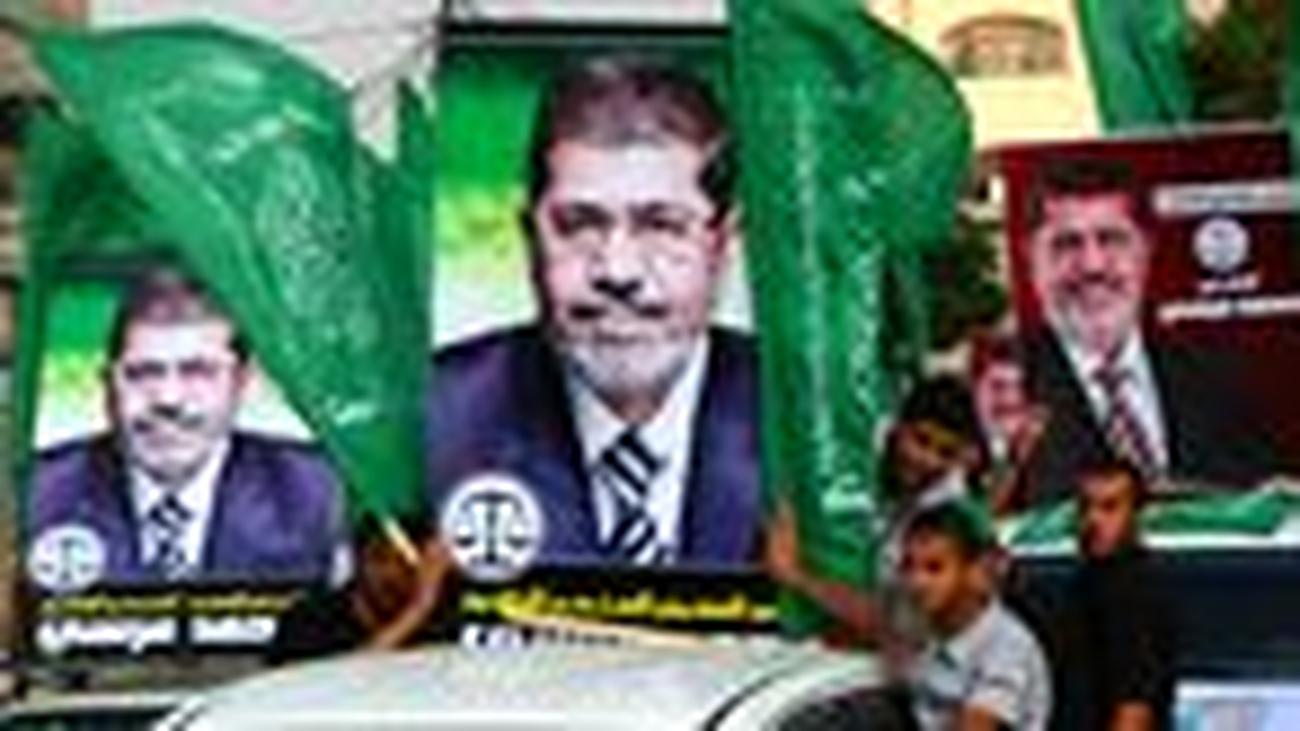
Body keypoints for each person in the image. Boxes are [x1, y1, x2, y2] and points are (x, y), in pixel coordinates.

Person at [426, 55, 758, 568]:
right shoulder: (430, 421)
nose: (618, 271)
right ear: (530, 238)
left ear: (723, 243)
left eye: (661, 225)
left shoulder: (807, 429)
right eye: (579, 225)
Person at [29, 270, 344, 586]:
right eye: (143, 373)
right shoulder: (33, 495)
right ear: (107, 384)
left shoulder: (322, 494)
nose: (169, 399)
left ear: (240, 382)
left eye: (198, 372)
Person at [1020, 156, 1273, 503]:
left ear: (1146, 250)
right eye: (1066, 244)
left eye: (1111, 239)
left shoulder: (1218, 378)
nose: (1093, 266)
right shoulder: (1010, 389)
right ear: (1030, 257)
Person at [766, 375, 987, 647]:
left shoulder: (951, 510)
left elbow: (899, 623)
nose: (928, 460)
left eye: (945, 453)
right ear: (898, 427)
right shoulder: (854, 452)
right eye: (921, 440)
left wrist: (797, 577)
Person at [901, 503, 1052, 731]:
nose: (917, 583)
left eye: (934, 569)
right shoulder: (930, 631)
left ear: (974, 572)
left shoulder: (1006, 646)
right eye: (909, 567)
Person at [1051, 459, 1177, 730]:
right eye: (1085, 507)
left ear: (1138, 516)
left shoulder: (1133, 592)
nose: (1093, 520)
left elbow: (1134, 707)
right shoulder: (1082, 584)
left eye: (1110, 508)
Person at [268, 517, 458, 665]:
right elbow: (340, 687)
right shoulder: (309, 621)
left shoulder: (438, 625)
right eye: (380, 558)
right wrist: (418, 609)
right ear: (359, 561)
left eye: (405, 563)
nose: (391, 574)